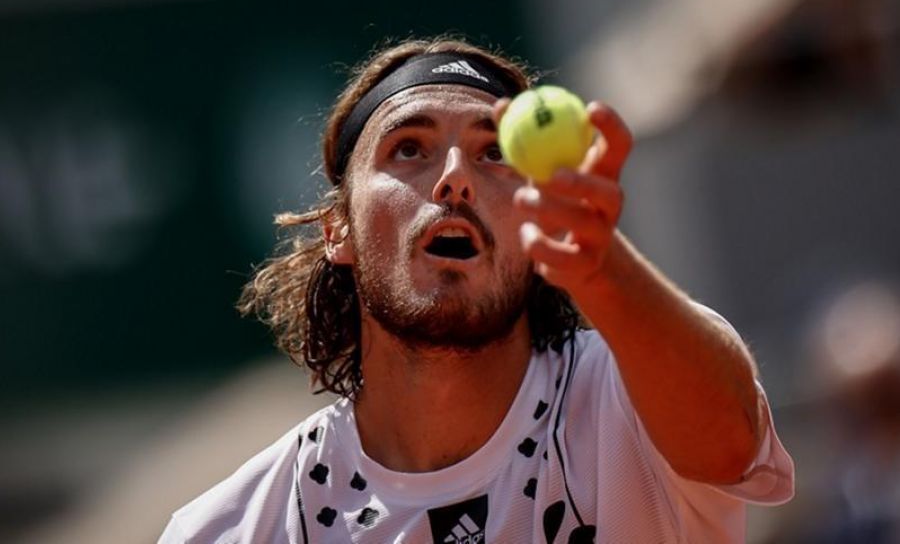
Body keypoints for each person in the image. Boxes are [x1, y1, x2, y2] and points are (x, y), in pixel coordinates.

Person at [159, 38, 794, 543]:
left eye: (494, 153)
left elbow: (730, 444)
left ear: (532, 210)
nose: (455, 178)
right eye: (409, 149)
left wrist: (606, 273)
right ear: (338, 230)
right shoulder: (230, 531)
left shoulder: (630, 399)